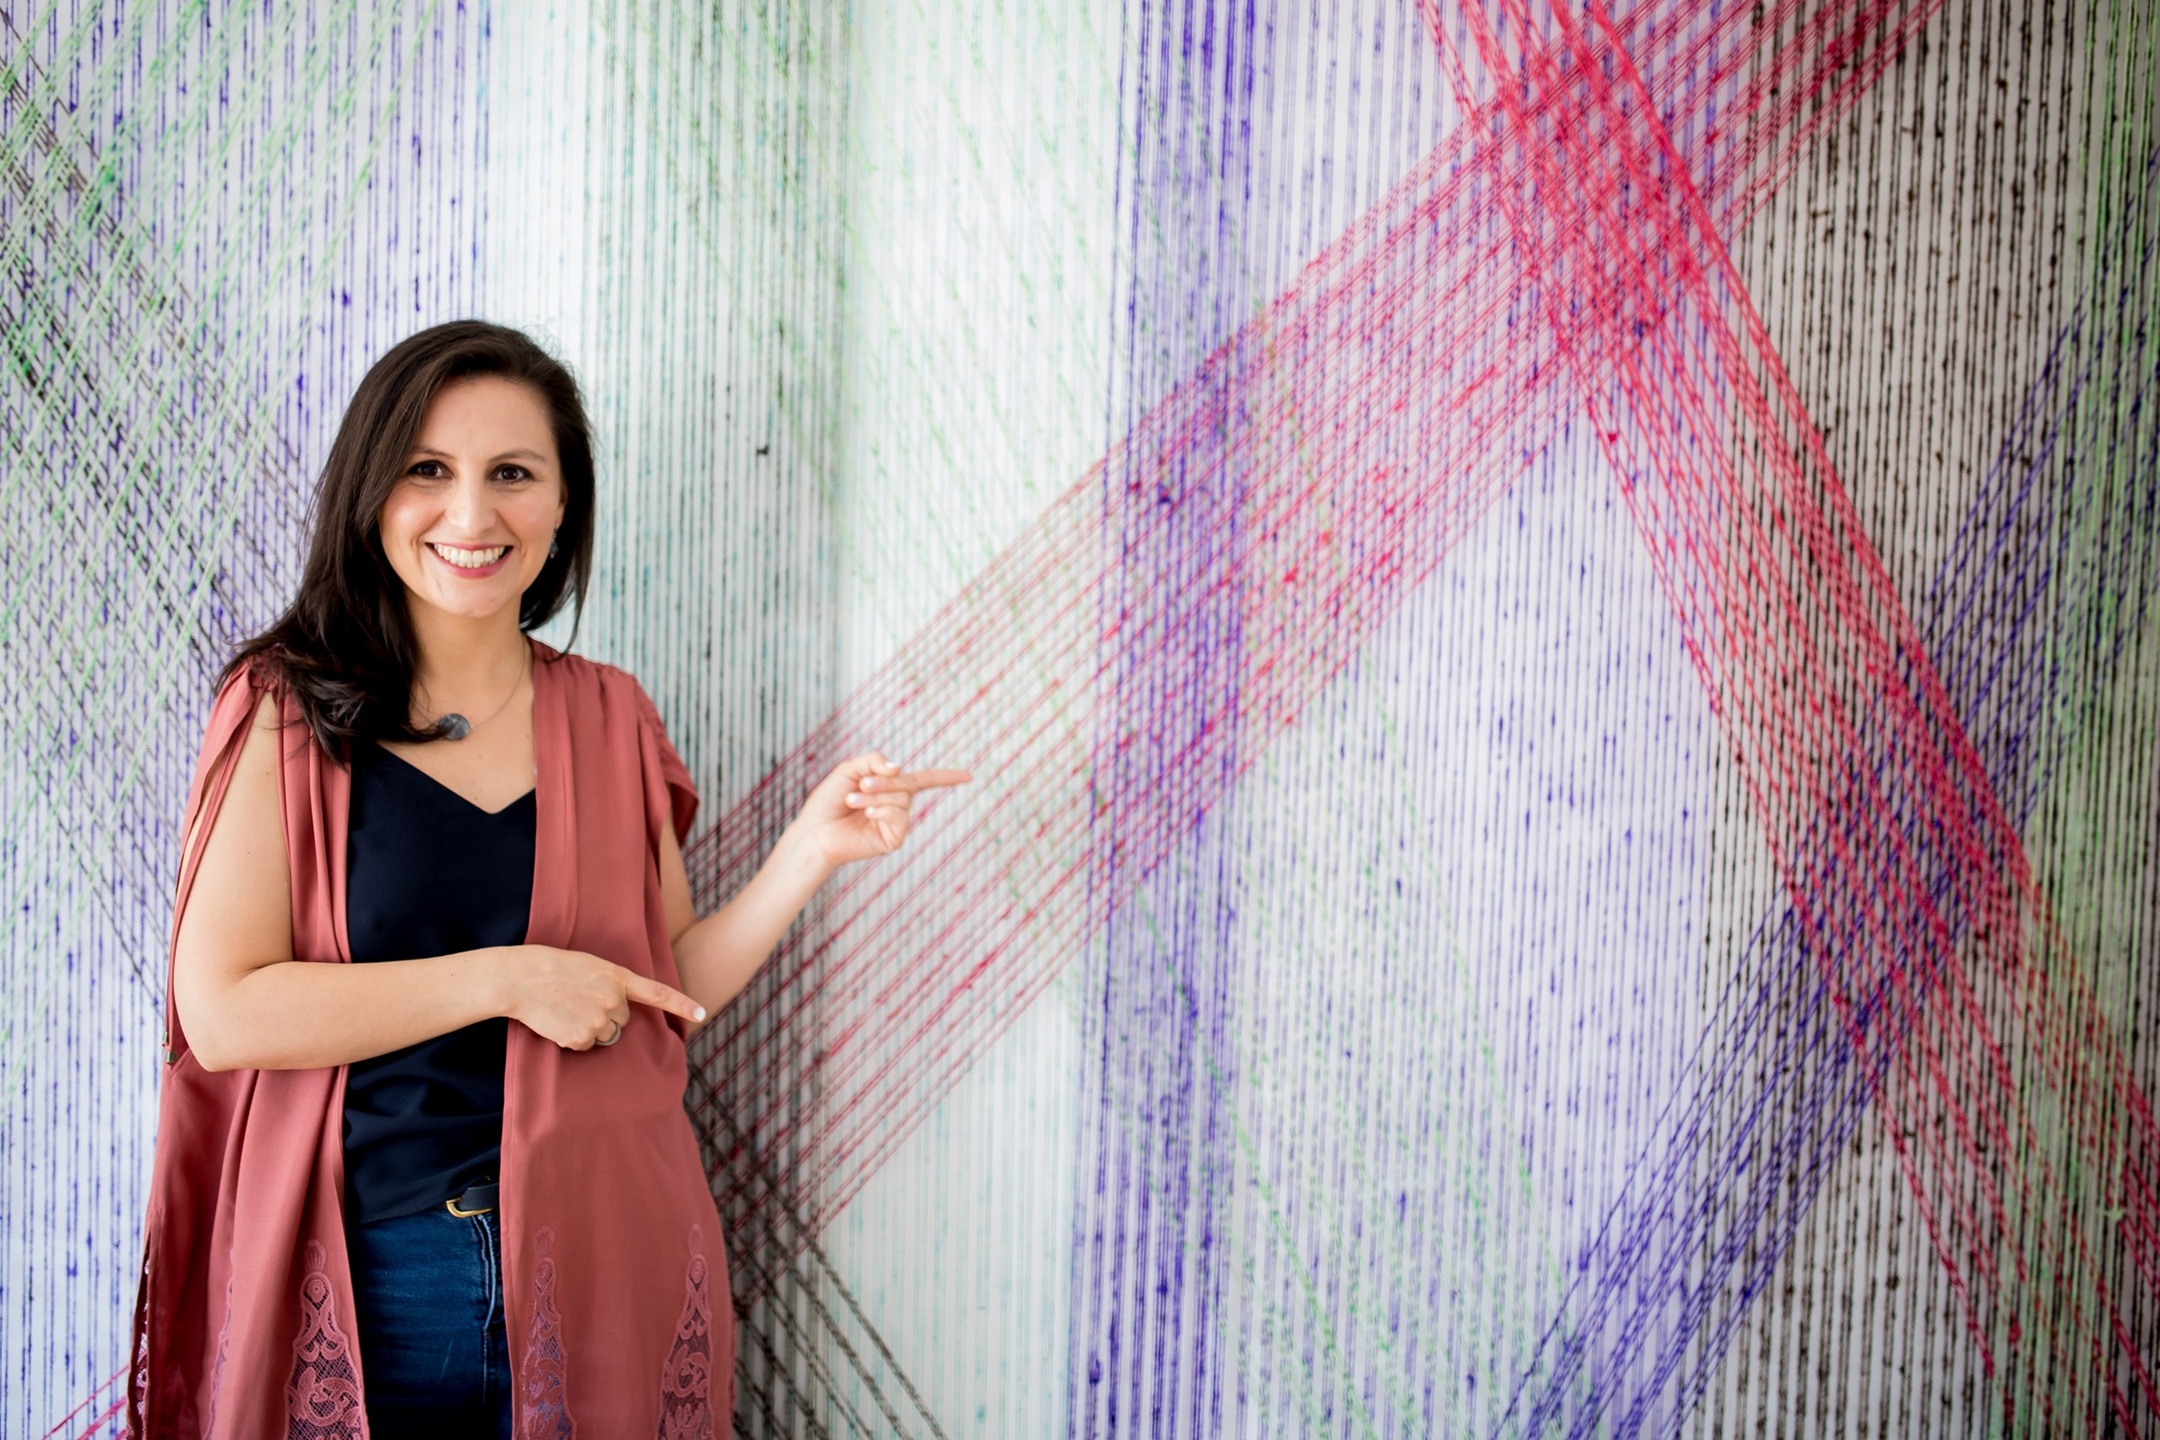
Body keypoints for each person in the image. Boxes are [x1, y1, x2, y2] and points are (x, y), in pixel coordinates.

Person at [126, 320, 969, 1438]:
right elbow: (225, 1012)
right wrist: (507, 977)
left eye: (513, 474)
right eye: (430, 470)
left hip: (609, 1259)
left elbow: (663, 988)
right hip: (380, 1278)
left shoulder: (610, 713)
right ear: (371, 493)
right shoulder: (286, 711)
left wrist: (808, 853)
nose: (473, 514)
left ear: (563, 503)